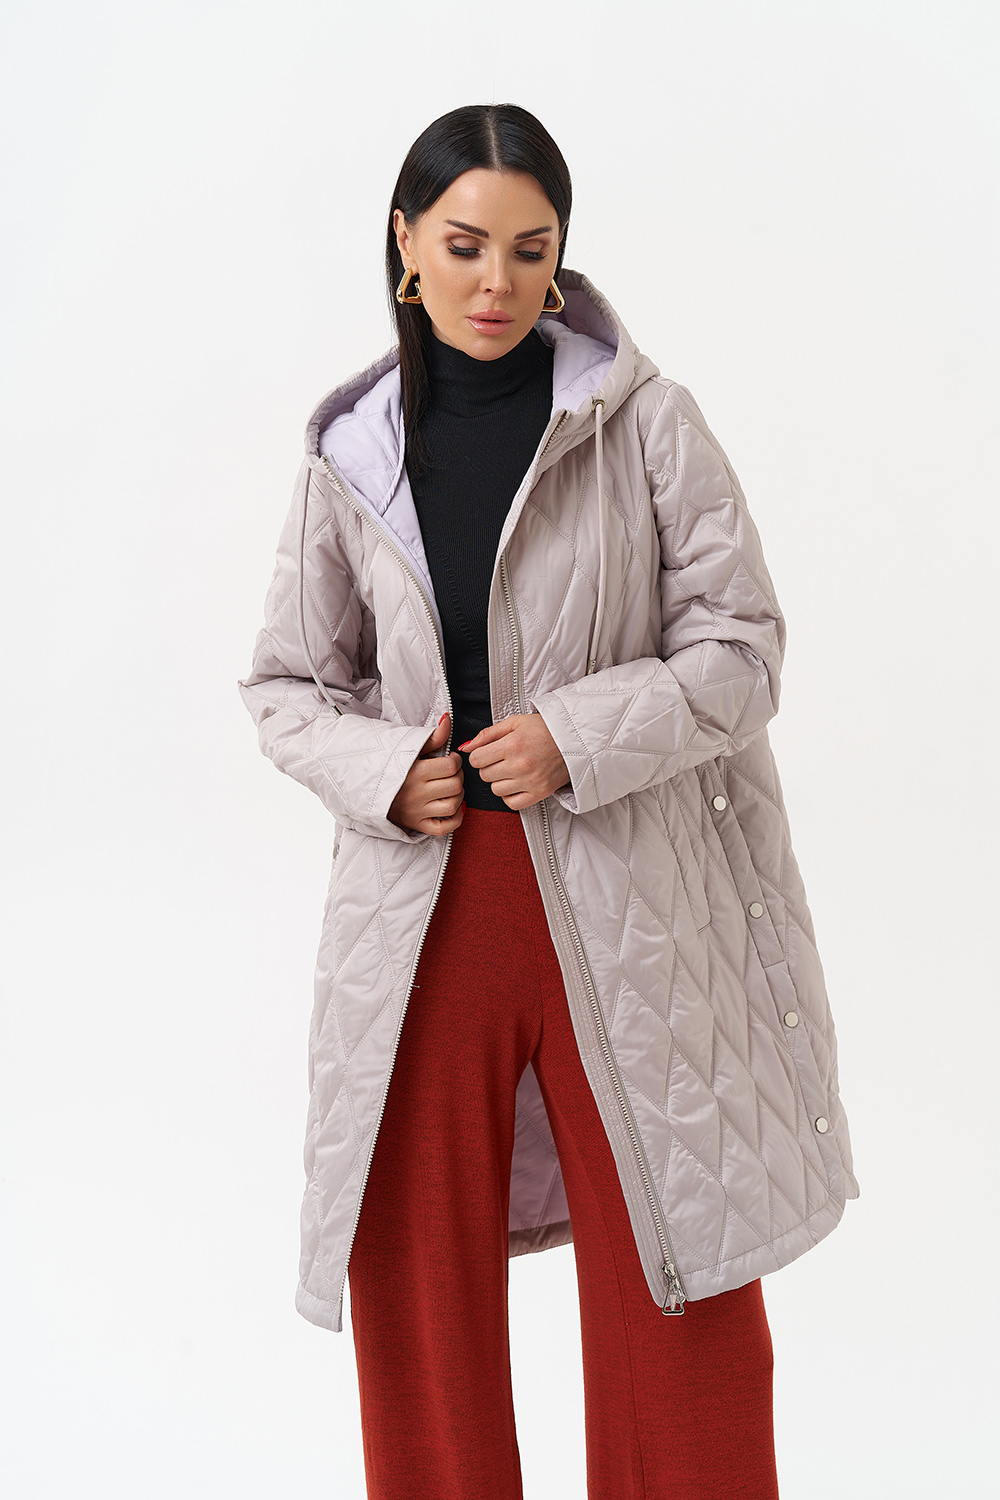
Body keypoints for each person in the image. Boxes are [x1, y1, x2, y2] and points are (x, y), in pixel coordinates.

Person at [238, 102, 859, 1500]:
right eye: (465, 245)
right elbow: (286, 684)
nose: (498, 282)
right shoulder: (351, 457)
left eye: (532, 250)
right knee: (418, 1287)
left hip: (631, 900)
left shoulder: (646, 425)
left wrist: (578, 738)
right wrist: (388, 774)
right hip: (421, 918)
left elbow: (743, 647)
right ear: (406, 243)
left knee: (677, 1272)